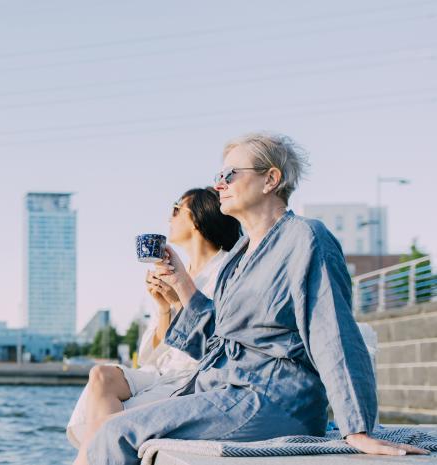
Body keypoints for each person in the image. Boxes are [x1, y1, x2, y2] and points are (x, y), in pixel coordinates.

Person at [76, 132, 428, 465]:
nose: (219, 185)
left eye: (229, 174)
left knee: (116, 432)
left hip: (274, 398)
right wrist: (183, 284)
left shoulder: (306, 239)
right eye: (218, 175)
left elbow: (334, 334)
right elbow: (220, 343)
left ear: (270, 179)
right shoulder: (238, 258)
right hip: (228, 392)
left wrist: (358, 427)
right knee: (112, 425)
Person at [66, 187, 240, 448]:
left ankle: (99, 455)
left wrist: (178, 299)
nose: (169, 218)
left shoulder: (228, 270)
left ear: (196, 219)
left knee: (104, 416)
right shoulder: (175, 272)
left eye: (175, 209)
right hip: (160, 371)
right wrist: (163, 308)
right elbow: (151, 354)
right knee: (101, 375)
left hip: (192, 376)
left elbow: (217, 339)